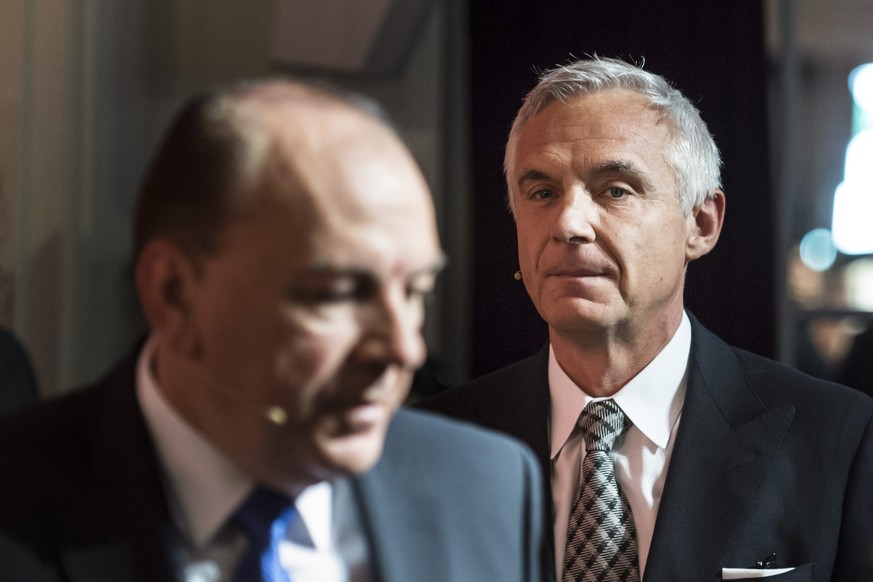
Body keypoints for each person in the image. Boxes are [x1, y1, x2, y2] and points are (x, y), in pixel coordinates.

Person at [0, 80, 544, 581]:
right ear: (174, 293)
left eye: (414, 291)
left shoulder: (485, 487)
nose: (404, 348)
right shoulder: (18, 507)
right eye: (337, 294)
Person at [421, 57, 873, 581]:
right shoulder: (433, 442)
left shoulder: (838, 438)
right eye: (542, 192)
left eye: (615, 189)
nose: (569, 223)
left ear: (700, 224)